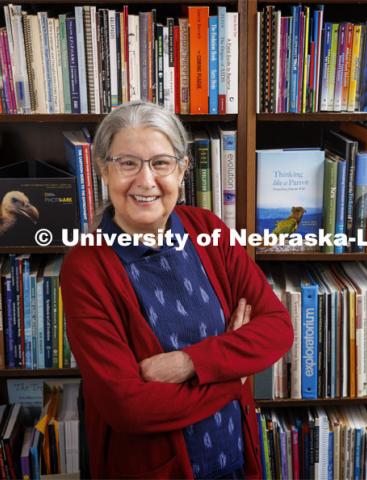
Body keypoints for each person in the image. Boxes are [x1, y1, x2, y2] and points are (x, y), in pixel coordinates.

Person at [60, 101, 294, 479]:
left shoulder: (208, 229)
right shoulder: (86, 268)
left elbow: (277, 328)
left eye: (161, 163)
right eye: (127, 163)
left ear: (183, 169)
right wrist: (232, 377)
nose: (146, 180)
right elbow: (128, 407)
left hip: (236, 454)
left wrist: (188, 363)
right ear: (104, 170)